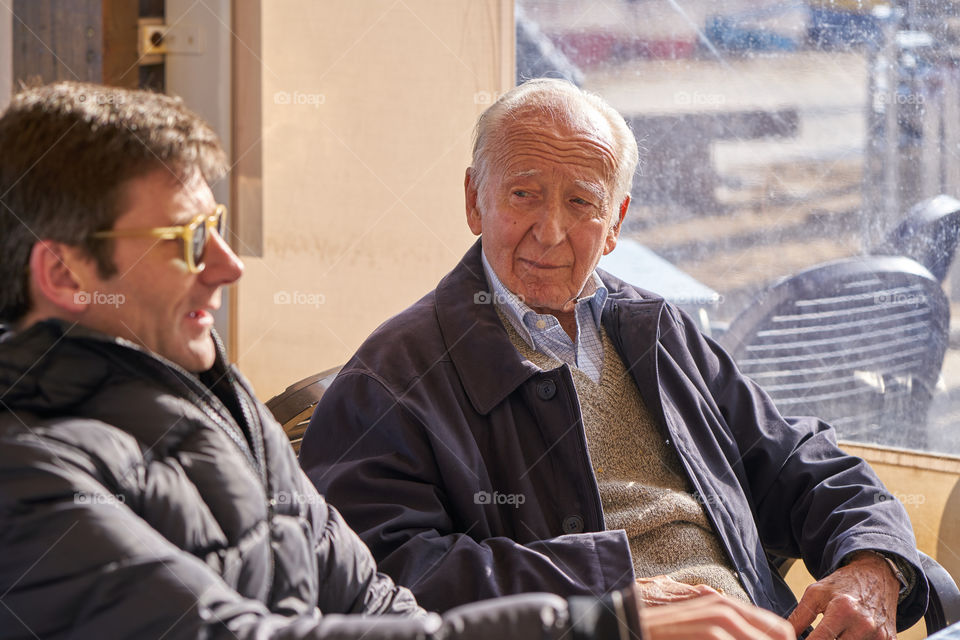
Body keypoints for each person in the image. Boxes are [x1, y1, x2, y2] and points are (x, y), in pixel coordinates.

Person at [0, 81, 794, 640]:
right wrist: (601, 617)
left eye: (581, 202)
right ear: (64, 274)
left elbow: (380, 607)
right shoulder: (25, 474)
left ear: (615, 221)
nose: (228, 265)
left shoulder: (223, 405)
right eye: (184, 241)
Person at [301, 77, 928, 640]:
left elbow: (799, 459)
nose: (549, 231)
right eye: (523, 194)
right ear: (475, 201)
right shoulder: (387, 380)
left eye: (581, 202)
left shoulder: (656, 329)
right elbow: (375, 574)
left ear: (617, 220)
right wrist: (605, 604)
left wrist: (876, 562)